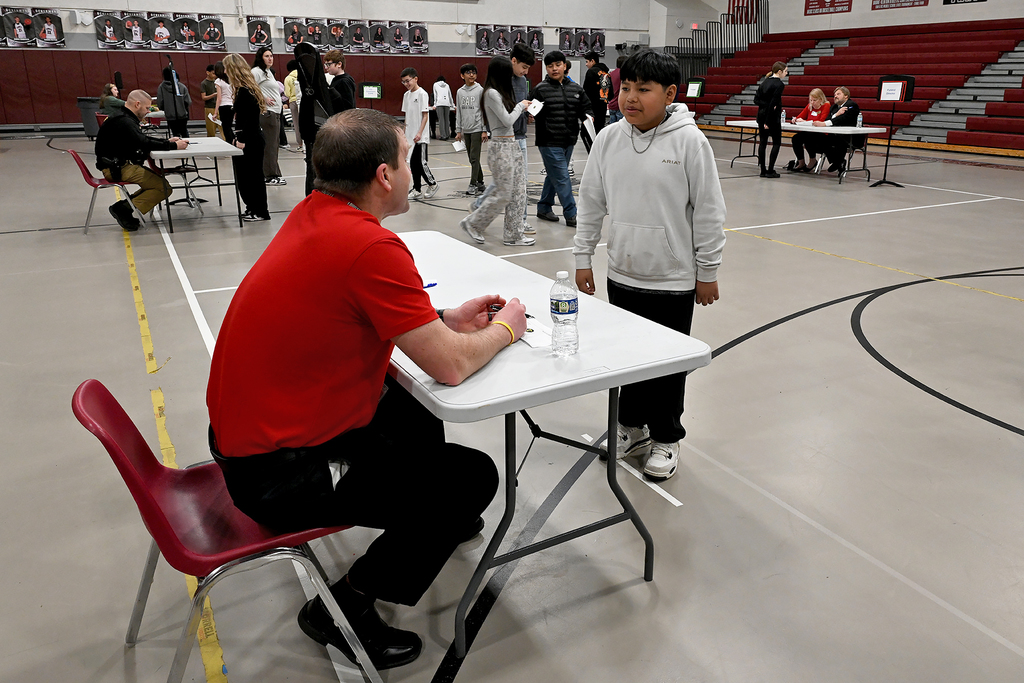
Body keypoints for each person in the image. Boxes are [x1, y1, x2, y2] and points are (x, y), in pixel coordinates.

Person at [206, 107, 525, 671]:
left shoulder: (316, 214)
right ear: (384, 175)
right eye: (406, 158)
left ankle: (426, 516)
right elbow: (451, 367)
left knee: (410, 410)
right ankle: (344, 608)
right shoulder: (372, 247)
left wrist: (443, 319)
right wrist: (506, 330)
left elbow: (351, 309)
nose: (409, 169)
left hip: (251, 439)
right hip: (279, 477)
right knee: (472, 477)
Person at [573, 50, 726, 481]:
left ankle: (666, 436)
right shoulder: (608, 139)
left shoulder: (690, 142)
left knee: (667, 363)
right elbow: (591, 202)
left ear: (670, 93)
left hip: (673, 279)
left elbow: (709, 212)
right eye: (626, 87)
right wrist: (583, 257)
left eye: (643, 89)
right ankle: (630, 426)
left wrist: (707, 271)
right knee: (627, 358)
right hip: (622, 274)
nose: (630, 97)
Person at [460, 56, 533, 247]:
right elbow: (507, 120)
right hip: (500, 147)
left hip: (512, 144)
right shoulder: (491, 93)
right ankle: (473, 223)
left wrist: (523, 109)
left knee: (518, 192)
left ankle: (513, 234)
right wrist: (521, 106)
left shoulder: (500, 93)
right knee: (504, 193)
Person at [94, 89, 189, 231]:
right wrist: (174, 146)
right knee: (163, 188)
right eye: (147, 108)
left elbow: (140, 139)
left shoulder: (123, 117)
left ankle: (124, 207)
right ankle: (123, 209)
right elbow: (143, 143)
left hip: (118, 165)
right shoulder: (124, 121)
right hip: (117, 168)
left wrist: (166, 142)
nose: (148, 112)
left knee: (158, 184)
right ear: (137, 104)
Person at [529, 50, 593, 227]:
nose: (554, 69)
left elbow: (586, 108)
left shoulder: (576, 89)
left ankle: (544, 207)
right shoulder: (540, 90)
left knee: (554, 175)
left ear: (565, 66)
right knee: (563, 177)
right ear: (546, 69)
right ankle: (571, 214)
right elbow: (530, 109)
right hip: (548, 141)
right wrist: (530, 113)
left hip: (569, 140)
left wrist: (589, 117)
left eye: (558, 65)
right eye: (550, 66)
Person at [223, 53, 270, 221]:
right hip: (249, 136)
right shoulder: (244, 90)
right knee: (246, 177)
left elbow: (250, 119)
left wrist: (241, 140)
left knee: (252, 177)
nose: (225, 72)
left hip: (250, 138)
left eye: (226, 68)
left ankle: (259, 210)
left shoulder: (245, 92)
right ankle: (252, 207)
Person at [294, 43, 345, 196]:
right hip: (312, 133)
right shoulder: (310, 87)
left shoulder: (342, 82)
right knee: (313, 169)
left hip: (328, 132)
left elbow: (346, 107)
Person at [401, 68, 438, 200]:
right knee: (413, 163)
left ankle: (432, 184)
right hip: (410, 136)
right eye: (403, 82)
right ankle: (417, 189)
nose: (406, 84)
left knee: (421, 163)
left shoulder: (422, 94)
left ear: (415, 79)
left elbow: (425, 116)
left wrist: (420, 133)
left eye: (408, 81)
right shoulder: (406, 95)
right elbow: (407, 116)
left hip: (420, 137)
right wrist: (404, 133)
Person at [252, 47, 285, 185]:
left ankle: (274, 173)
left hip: (275, 112)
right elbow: (249, 87)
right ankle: (270, 175)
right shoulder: (257, 71)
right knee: (270, 145)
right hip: (267, 113)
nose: (270, 58)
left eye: (271, 56)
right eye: (267, 56)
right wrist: (263, 98)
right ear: (261, 58)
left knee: (274, 144)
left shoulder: (268, 72)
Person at [812, 86, 863, 174]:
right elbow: (828, 119)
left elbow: (842, 119)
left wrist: (826, 123)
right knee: (819, 138)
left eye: (838, 94)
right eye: (835, 94)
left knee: (838, 141)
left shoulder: (851, 105)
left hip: (851, 137)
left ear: (846, 96)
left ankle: (838, 162)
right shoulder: (834, 107)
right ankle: (838, 162)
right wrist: (836, 114)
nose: (835, 96)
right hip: (837, 135)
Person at [454, 64, 488, 195]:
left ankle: (473, 184)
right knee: (472, 158)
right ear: (462, 76)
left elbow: (484, 111)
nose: (471, 75)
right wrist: (458, 130)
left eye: (474, 72)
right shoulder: (460, 92)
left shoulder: (480, 90)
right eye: (468, 72)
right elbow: (459, 112)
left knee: (474, 158)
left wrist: (484, 130)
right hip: (466, 129)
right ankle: (480, 182)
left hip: (477, 128)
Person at [754, 61, 787, 178]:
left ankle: (763, 170)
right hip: (772, 117)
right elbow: (774, 102)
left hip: (761, 115)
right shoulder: (779, 84)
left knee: (762, 143)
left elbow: (756, 100)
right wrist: (768, 120)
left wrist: (766, 106)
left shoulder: (764, 82)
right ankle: (771, 170)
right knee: (776, 142)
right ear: (779, 71)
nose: (786, 73)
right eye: (785, 71)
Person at [789, 88, 831, 172]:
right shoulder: (809, 106)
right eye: (811, 100)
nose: (812, 102)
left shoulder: (826, 105)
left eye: (814, 100)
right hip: (809, 131)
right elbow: (800, 116)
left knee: (808, 139)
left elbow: (821, 121)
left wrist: (805, 121)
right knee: (796, 138)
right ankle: (801, 162)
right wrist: (795, 119)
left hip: (821, 133)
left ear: (821, 99)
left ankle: (812, 160)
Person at [156, 67, 191, 138]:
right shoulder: (182, 86)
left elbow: (160, 102)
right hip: (182, 114)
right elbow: (188, 101)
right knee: (184, 132)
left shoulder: (161, 88)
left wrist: (165, 109)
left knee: (175, 134)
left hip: (170, 115)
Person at [583, 50, 610, 134]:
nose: (586, 64)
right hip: (603, 106)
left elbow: (586, 90)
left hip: (592, 107)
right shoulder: (606, 73)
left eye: (587, 62)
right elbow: (610, 91)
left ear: (592, 61)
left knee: (587, 132)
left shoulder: (591, 72)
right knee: (599, 130)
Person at [284, 60, 302, 151]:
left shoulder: (288, 78)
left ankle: (300, 144)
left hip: (293, 101)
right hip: (303, 101)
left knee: (296, 123)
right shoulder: (303, 75)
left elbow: (287, 93)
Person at [214, 61, 234, 142]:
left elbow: (219, 98)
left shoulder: (218, 81)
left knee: (226, 128)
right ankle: (234, 141)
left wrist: (215, 112)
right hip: (231, 105)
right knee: (229, 126)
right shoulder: (230, 80)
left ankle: (231, 142)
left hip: (223, 106)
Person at [606, 54, 627, 124]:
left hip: (611, 104)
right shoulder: (624, 74)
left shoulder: (611, 74)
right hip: (620, 105)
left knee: (612, 127)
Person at [200, 65, 220, 138]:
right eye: (213, 73)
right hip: (209, 107)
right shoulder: (204, 83)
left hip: (219, 107)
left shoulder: (217, 82)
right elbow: (204, 97)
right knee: (211, 129)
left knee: (222, 126)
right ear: (208, 72)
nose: (215, 75)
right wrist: (214, 95)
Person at [432, 75, 454, 140]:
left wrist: (435, 105)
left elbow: (435, 95)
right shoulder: (447, 85)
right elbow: (450, 96)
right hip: (447, 103)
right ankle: (447, 134)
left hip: (439, 103)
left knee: (441, 120)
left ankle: (443, 136)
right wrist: (453, 105)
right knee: (447, 120)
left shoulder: (435, 85)